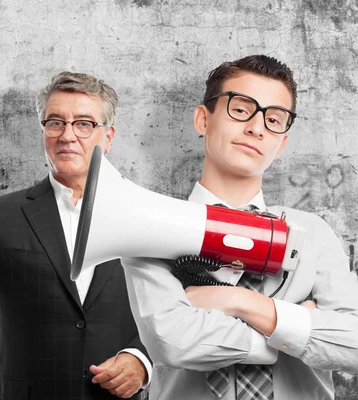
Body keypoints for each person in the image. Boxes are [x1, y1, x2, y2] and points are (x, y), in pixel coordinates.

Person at [121, 55, 358, 399]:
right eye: (241, 109)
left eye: (274, 119)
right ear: (203, 119)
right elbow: (172, 342)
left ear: (282, 143)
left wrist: (238, 301)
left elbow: (353, 345)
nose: (257, 128)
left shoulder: (312, 234)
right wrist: (295, 326)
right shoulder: (153, 228)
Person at [0, 71, 152, 400]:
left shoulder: (148, 215)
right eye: (55, 122)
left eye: (83, 123)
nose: (67, 135)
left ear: (107, 136)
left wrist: (142, 360)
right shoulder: (1, 217)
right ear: (44, 132)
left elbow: (176, 308)